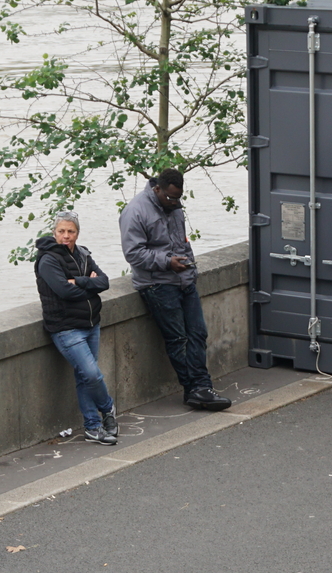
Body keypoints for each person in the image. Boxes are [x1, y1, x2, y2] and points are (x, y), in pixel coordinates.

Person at [119, 168, 231, 411]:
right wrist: (167, 261)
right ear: (157, 189)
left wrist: (190, 271)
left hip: (184, 281)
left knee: (198, 333)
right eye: (170, 198)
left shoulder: (175, 207)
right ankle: (196, 388)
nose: (174, 202)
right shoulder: (135, 212)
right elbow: (133, 254)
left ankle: (201, 387)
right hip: (157, 284)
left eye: (178, 198)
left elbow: (183, 242)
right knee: (178, 339)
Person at [35, 211, 119, 445]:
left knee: (84, 377)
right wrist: (90, 285)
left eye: (70, 231)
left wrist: (81, 281)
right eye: (61, 231)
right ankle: (108, 408)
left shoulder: (82, 254)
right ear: (54, 233)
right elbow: (64, 291)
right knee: (91, 374)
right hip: (65, 327)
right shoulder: (48, 259)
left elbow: (104, 281)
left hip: (91, 324)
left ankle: (93, 427)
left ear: (77, 233)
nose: (66, 236)